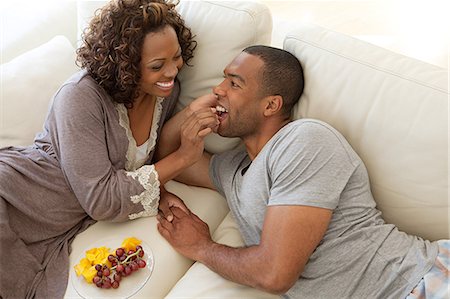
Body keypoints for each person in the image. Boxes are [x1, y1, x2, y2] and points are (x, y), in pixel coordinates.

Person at [156, 45, 449, 298]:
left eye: (234, 83)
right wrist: (193, 111)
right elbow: (170, 158)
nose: (218, 89)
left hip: (419, 283)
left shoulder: (304, 140)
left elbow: (275, 274)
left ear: (271, 104)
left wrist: (202, 248)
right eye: (222, 80)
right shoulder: (232, 170)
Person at [0, 0, 217, 298]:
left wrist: (161, 195)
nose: (171, 71)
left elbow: (132, 166)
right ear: (126, 66)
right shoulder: (79, 98)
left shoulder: (165, 90)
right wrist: (183, 158)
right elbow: (101, 198)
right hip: (18, 195)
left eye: (177, 57)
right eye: (157, 65)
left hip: (59, 220)